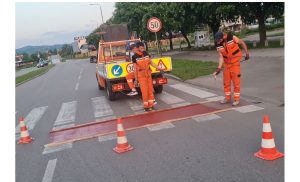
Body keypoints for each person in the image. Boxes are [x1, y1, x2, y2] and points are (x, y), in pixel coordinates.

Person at [212, 31, 250, 106]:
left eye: (219, 39)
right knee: (226, 83)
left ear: (223, 37)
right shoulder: (218, 45)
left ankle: (236, 99)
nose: (218, 41)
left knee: (236, 82)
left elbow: (242, 42)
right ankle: (227, 98)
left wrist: (247, 53)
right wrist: (218, 68)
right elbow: (221, 57)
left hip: (235, 63)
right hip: (227, 65)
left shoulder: (232, 38)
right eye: (217, 40)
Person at [132, 42, 163, 112]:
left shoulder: (146, 53)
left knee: (150, 90)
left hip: (148, 74)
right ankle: (146, 107)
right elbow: (135, 69)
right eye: (141, 48)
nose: (142, 49)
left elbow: (151, 63)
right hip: (141, 76)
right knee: (144, 91)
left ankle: (151, 105)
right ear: (137, 48)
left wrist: (159, 67)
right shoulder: (134, 57)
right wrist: (136, 79)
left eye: (143, 48)